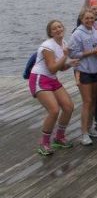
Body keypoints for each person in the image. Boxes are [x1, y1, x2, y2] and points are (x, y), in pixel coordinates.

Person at [30, 19, 78, 155]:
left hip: (51, 79)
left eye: (60, 27)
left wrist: (70, 63)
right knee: (54, 110)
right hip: (39, 78)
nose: (58, 30)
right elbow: (51, 68)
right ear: (50, 33)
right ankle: (44, 143)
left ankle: (59, 138)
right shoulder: (47, 46)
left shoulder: (64, 43)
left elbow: (61, 68)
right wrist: (66, 56)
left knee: (68, 107)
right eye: (54, 28)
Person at [69, 7, 97, 145]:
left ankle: (90, 128)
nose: (89, 20)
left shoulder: (96, 31)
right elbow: (72, 54)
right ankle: (83, 133)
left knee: (94, 100)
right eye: (86, 18)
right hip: (84, 71)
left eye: (91, 18)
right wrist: (90, 53)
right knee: (87, 101)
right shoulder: (77, 34)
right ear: (82, 19)